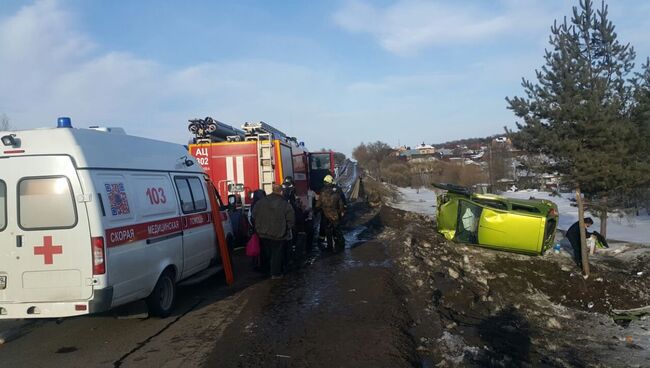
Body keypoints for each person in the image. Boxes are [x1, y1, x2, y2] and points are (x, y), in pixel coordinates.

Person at [252, 184, 295, 279]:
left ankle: (266, 271)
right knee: (276, 254)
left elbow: (253, 215)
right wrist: (286, 228)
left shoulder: (260, 202)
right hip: (278, 233)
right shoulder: (285, 204)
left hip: (262, 233)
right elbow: (291, 219)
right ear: (281, 191)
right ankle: (275, 273)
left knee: (267, 252)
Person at [316, 175, 346, 252]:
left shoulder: (322, 192)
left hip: (326, 215)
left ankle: (330, 247)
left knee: (328, 231)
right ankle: (341, 244)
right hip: (335, 215)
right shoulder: (337, 192)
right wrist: (341, 212)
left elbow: (318, 205)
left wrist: (315, 210)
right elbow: (341, 204)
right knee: (337, 230)